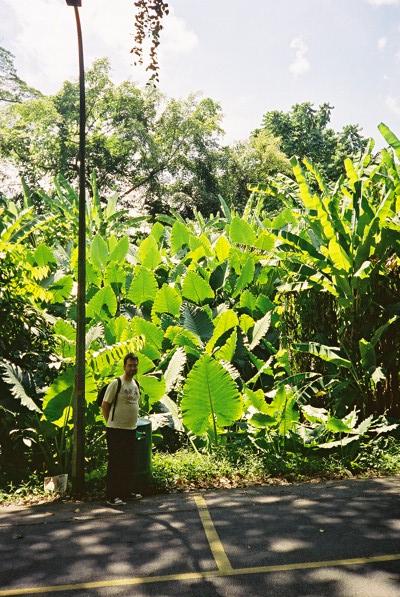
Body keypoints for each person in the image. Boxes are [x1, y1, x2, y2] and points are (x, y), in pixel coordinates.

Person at [102, 353, 141, 506]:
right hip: (116, 430)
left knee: (128, 463)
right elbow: (105, 405)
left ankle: (125, 492)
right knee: (116, 463)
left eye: (135, 365)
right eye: (130, 365)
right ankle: (112, 496)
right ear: (124, 366)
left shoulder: (135, 384)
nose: (132, 368)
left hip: (130, 429)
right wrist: (111, 423)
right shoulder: (116, 383)